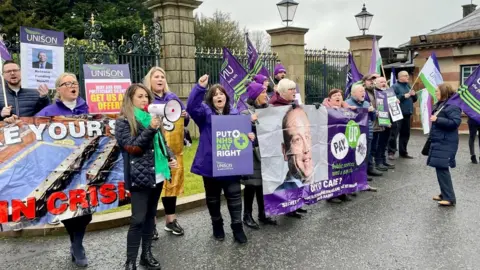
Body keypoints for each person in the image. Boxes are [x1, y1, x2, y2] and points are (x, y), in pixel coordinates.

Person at [26, 73, 89, 267]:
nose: (72, 86)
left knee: (87, 209)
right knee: (67, 207)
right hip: (60, 169)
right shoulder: (48, 112)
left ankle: (77, 242)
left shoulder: (88, 109)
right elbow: (29, 132)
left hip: (85, 167)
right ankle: (77, 244)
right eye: (67, 83)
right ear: (59, 89)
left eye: (75, 83)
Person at [115, 84, 178, 270]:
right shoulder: (124, 121)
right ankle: (130, 261)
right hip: (140, 177)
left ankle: (146, 255)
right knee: (138, 219)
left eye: (146, 97)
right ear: (130, 99)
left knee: (151, 217)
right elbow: (132, 148)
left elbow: (162, 143)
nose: (145, 100)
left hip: (157, 175)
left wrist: (170, 157)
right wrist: (150, 128)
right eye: (140, 96)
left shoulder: (151, 118)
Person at [186, 74, 254, 244]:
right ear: (211, 98)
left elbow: (241, 137)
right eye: (215, 94)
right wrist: (200, 87)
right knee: (213, 198)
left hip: (231, 164)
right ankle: (217, 224)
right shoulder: (204, 113)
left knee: (234, 196)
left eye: (221, 93)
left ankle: (237, 227)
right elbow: (191, 106)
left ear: (226, 97)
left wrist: (249, 136)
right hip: (210, 165)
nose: (218, 96)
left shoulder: (235, 113)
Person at [143, 67, 189, 238]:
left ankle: (171, 220)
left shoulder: (173, 98)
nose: (160, 79)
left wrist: (185, 114)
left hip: (173, 150)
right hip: (153, 151)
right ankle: (151, 223)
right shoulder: (145, 99)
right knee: (153, 187)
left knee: (172, 184)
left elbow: (184, 121)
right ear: (150, 80)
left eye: (162, 77)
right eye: (156, 77)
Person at [268, 78, 308, 218]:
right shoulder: (273, 106)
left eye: (294, 89)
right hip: (283, 146)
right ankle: (286, 205)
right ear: (283, 92)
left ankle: (295, 204)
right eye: (291, 89)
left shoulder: (293, 104)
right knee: (287, 176)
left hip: (295, 144)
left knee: (296, 175)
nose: (294, 91)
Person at [241, 82, 277, 229]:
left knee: (264, 185)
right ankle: (247, 216)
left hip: (267, 152)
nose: (266, 95)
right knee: (251, 186)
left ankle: (263, 214)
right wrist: (249, 122)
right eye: (262, 93)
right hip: (253, 154)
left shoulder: (270, 110)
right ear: (255, 96)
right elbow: (240, 134)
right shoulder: (245, 113)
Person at [428, 83, 461, 207]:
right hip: (440, 140)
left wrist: (438, 120)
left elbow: (455, 122)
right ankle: (444, 193)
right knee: (439, 167)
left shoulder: (452, 106)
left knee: (442, 169)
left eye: (437, 91)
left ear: (444, 92)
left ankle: (449, 198)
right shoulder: (442, 104)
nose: (435, 93)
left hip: (446, 142)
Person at [321, 89, 354, 203]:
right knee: (333, 168)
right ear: (329, 99)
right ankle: (331, 194)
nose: (338, 96)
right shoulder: (324, 109)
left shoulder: (347, 109)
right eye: (335, 95)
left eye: (340, 95)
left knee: (343, 168)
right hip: (330, 143)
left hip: (344, 143)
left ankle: (342, 191)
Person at [345, 84, 377, 191]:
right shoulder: (348, 103)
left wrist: (373, 111)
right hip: (354, 135)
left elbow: (372, 118)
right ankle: (352, 181)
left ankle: (362, 181)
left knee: (365, 156)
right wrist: (360, 110)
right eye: (360, 91)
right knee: (353, 158)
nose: (363, 93)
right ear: (353, 93)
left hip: (367, 133)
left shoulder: (367, 103)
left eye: (363, 91)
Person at [276, 106, 314, 191]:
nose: (306, 149)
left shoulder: (322, 185)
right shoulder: (279, 195)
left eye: (307, 137)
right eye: (297, 140)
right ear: (285, 151)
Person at [388, 71, 417, 160]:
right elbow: (391, 98)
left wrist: (414, 95)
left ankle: (403, 152)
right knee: (394, 133)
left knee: (405, 134)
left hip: (407, 114)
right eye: (406, 75)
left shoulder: (408, 86)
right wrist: (404, 96)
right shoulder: (394, 87)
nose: (408, 77)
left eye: (408, 75)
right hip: (397, 114)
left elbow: (414, 99)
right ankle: (391, 151)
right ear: (400, 77)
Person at [372, 77, 396, 171]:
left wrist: (395, 102)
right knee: (380, 142)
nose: (383, 83)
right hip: (380, 122)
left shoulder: (388, 92)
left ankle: (383, 160)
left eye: (385, 82)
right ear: (375, 83)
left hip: (389, 120)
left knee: (385, 142)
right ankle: (378, 162)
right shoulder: (375, 93)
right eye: (381, 82)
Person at [364, 74, 385, 177]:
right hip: (369, 124)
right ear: (364, 81)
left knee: (373, 148)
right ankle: (368, 168)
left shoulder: (377, 92)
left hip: (378, 124)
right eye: (370, 80)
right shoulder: (363, 92)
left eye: (374, 80)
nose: (372, 82)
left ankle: (372, 166)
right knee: (368, 148)